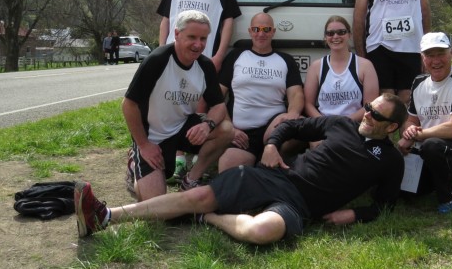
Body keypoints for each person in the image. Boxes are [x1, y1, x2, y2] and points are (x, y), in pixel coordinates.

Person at [75, 94, 408, 244]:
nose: (367, 114)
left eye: (376, 115)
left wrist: (354, 215)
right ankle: (105, 216)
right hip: (276, 177)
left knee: (261, 233)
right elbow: (291, 126)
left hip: (300, 207)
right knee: (198, 195)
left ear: (391, 127)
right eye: (368, 107)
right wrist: (272, 144)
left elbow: (386, 205)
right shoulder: (340, 125)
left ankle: (208, 219)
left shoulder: (391, 160)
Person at [123, 10, 234, 201]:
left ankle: (191, 179)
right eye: (192, 37)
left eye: (203, 38)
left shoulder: (205, 66)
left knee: (226, 129)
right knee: (154, 205)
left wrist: (207, 126)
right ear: (176, 34)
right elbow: (128, 105)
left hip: (183, 128)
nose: (198, 44)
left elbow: (218, 106)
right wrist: (144, 145)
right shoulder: (157, 60)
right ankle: (135, 163)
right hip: (153, 136)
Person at [397, 32, 452, 213]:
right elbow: (411, 120)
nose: (436, 60)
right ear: (422, 57)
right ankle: (438, 179)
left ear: (451, 53)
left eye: (441, 53)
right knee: (404, 193)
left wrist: (417, 135)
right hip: (424, 150)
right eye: (430, 55)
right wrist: (408, 132)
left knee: (432, 145)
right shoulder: (419, 82)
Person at [217, 12, 304, 172]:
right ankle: (260, 162)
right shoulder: (236, 56)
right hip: (242, 134)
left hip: (275, 129)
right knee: (227, 172)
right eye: (256, 29)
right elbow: (218, 95)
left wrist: (292, 114)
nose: (261, 34)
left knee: (302, 126)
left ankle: (279, 160)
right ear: (250, 31)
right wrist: (229, 128)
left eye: (266, 29)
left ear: (273, 32)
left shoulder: (286, 60)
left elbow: (296, 94)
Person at [304, 16, 379, 123]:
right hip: (324, 126)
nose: (335, 36)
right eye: (330, 33)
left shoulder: (365, 66)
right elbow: (308, 104)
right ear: (325, 37)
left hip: (353, 125)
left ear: (349, 35)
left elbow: (371, 105)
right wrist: (324, 123)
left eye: (341, 32)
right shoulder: (316, 67)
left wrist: (344, 122)